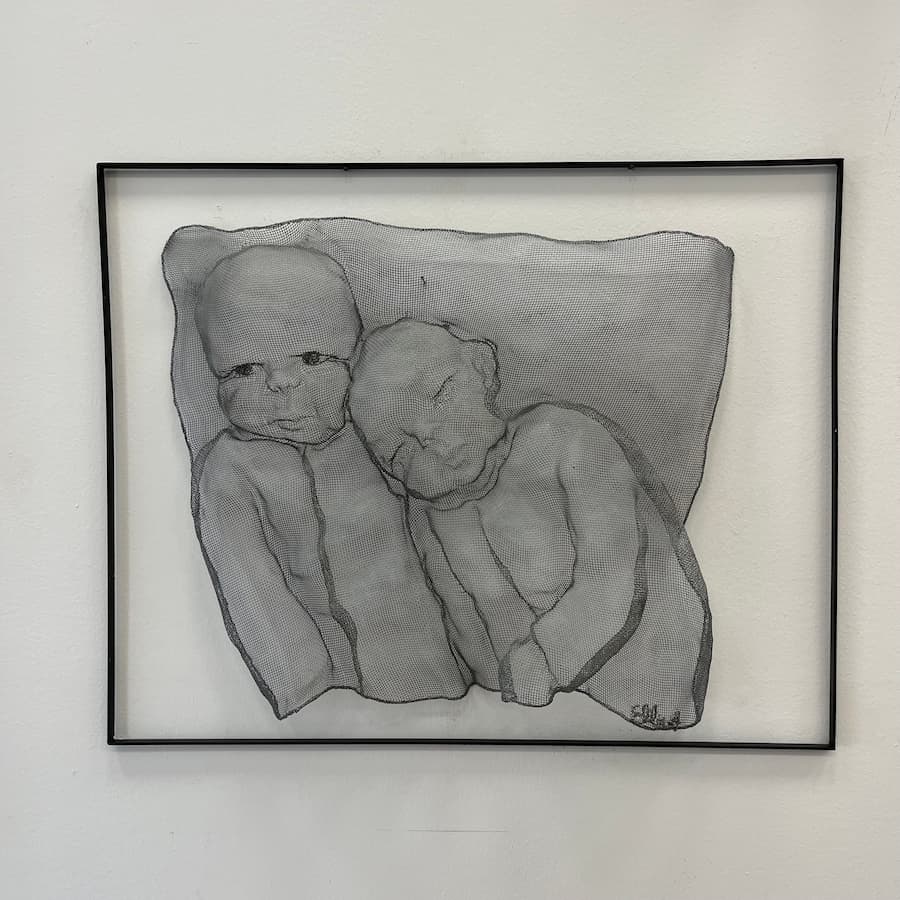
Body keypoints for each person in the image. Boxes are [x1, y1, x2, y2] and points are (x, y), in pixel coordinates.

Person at [348, 319, 712, 728]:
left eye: (440, 394)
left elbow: (611, 582)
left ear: (482, 366)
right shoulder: (430, 519)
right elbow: (469, 631)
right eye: (398, 450)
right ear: (391, 475)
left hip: (652, 687)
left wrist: (542, 663)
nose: (431, 439)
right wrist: (501, 702)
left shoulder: (565, 440)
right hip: (540, 714)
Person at [192, 247, 468, 718]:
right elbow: (253, 593)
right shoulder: (228, 470)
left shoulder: (375, 430)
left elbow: (444, 534)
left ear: (351, 358)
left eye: (311, 357)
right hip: (326, 695)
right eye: (244, 369)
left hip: (428, 664)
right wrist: (308, 696)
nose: (280, 383)